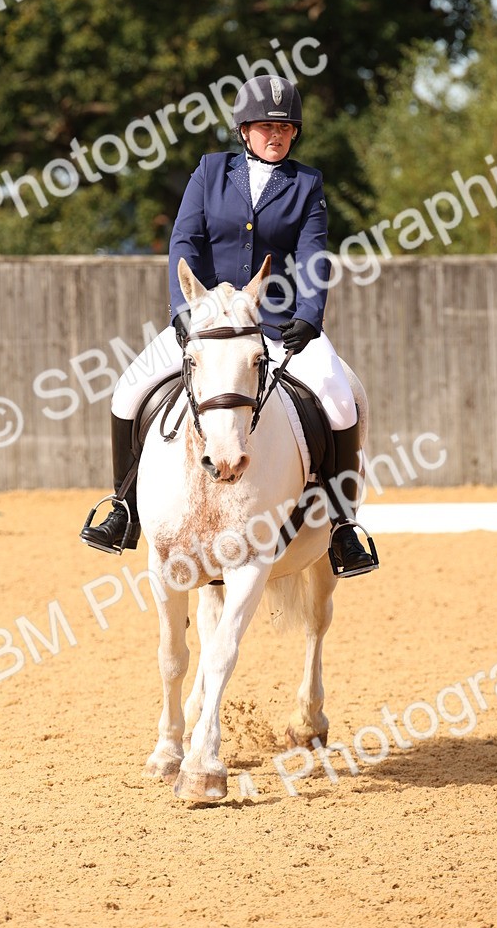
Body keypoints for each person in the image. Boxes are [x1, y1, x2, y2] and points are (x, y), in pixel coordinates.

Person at [80, 75, 378, 578]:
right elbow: (184, 241)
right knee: (128, 391)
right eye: (265, 126)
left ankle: (344, 527)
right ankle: (124, 508)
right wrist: (182, 308)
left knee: (339, 398)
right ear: (244, 130)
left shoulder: (306, 184)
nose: (276, 136)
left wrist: (309, 317)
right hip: (211, 324)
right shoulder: (210, 172)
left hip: (281, 323)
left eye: (285, 128)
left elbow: (314, 256)